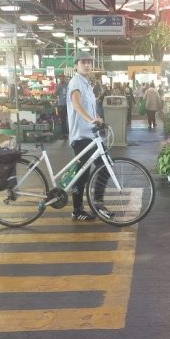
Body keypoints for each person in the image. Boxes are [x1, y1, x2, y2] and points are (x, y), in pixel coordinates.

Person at [66, 54, 105, 222]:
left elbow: (88, 106)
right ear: (77, 65)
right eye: (83, 62)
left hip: (91, 135)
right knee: (81, 174)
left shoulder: (87, 84)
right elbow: (76, 104)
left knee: (104, 165)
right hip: (81, 136)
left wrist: (97, 117)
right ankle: (77, 210)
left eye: (89, 62)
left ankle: (98, 202)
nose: (87, 65)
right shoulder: (75, 82)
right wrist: (91, 120)